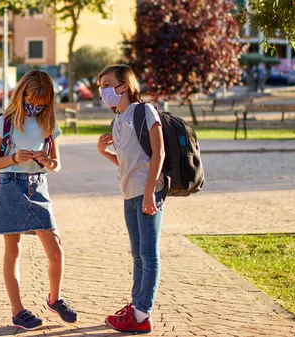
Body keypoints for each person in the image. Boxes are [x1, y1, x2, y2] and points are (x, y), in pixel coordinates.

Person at [0, 69, 78, 331]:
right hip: (10, 186)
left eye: (41, 102)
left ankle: (55, 299)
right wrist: (14, 158)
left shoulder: (48, 125)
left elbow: (56, 165)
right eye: (31, 100)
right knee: (13, 251)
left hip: (38, 187)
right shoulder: (4, 122)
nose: (35, 106)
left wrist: (48, 161)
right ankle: (18, 311)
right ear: (20, 93)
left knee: (56, 251)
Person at [96, 65, 166, 334]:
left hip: (149, 192)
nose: (103, 91)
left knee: (149, 255)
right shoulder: (117, 121)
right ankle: (136, 307)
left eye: (107, 84)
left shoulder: (143, 111)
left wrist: (150, 192)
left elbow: (157, 153)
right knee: (137, 255)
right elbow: (126, 163)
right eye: (100, 86)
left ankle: (141, 316)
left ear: (124, 86)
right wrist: (104, 152)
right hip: (129, 194)